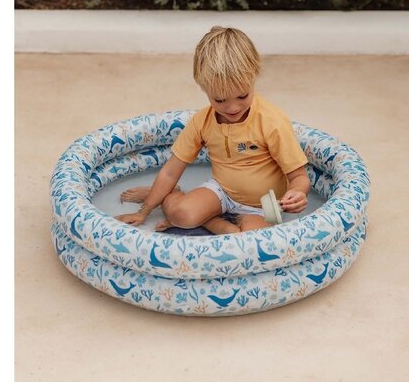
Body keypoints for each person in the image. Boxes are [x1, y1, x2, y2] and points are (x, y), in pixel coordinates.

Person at [116, 26, 310, 234]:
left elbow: (299, 177)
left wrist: (298, 193)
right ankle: (170, 196)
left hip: (263, 206)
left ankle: (211, 222)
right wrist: (144, 212)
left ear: (254, 77)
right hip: (222, 193)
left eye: (242, 96)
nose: (233, 108)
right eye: (219, 100)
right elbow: (170, 171)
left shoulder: (272, 121)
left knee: (251, 242)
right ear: (203, 88)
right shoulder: (202, 122)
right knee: (181, 214)